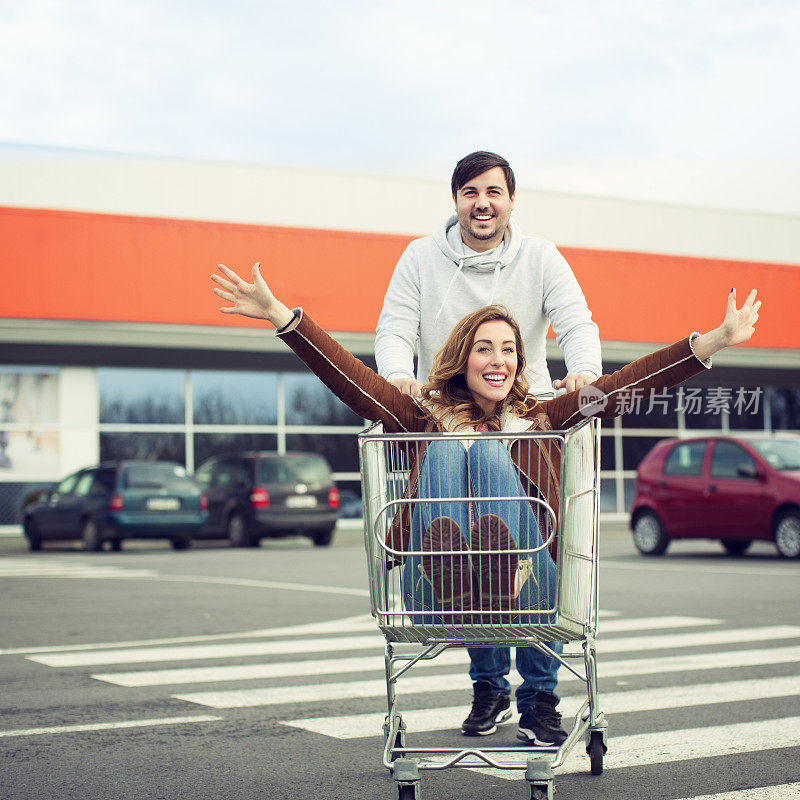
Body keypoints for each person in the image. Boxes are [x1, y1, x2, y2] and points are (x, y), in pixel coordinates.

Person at [212, 262, 761, 746]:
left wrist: (711, 342)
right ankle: (465, 588)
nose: (497, 360)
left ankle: (530, 685)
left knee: (491, 461)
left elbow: (623, 387)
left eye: (508, 350)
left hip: (526, 584)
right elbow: (353, 382)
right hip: (436, 589)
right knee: (453, 450)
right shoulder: (420, 416)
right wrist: (283, 317)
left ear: (520, 362)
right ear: (461, 358)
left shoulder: (547, 416)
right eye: (483, 348)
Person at [374, 150, 601, 742]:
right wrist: (401, 376)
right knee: (463, 539)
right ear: (455, 200)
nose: (483, 203)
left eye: (494, 192)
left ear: (510, 200)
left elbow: (577, 321)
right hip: (448, 421)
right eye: (471, 192)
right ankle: (489, 681)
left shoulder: (539, 257)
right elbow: (394, 326)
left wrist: (582, 372)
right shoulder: (420, 258)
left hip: (528, 432)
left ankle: (540, 695)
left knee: (523, 537)